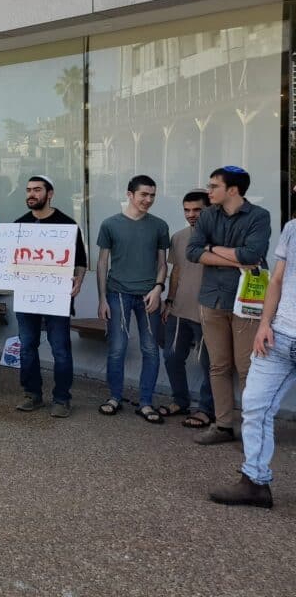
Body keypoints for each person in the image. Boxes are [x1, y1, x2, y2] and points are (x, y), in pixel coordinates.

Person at [208, 218, 296, 509]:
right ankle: (255, 483)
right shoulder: (292, 228)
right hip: (279, 336)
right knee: (255, 406)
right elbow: (278, 279)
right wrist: (264, 323)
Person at [186, 166, 271, 445]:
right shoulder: (208, 215)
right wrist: (231, 258)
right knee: (218, 366)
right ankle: (222, 425)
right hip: (212, 298)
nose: (208, 191)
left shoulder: (259, 216)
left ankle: (251, 430)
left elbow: (253, 254)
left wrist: (212, 248)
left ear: (232, 190)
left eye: (214, 186)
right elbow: (194, 252)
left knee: (247, 368)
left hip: (246, 299)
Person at [97, 174, 170, 423]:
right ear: (130, 194)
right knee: (117, 348)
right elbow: (102, 263)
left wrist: (159, 288)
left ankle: (146, 402)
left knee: (151, 349)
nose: (148, 200)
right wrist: (102, 299)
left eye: (152, 195)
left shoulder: (159, 226)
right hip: (117, 293)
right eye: (143, 195)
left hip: (149, 294)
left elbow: (163, 263)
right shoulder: (110, 224)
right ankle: (114, 397)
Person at [13, 176, 87, 418]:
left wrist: (78, 281)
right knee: (27, 347)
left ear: (50, 194)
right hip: (26, 297)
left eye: (37, 190)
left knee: (61, 349)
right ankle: (32, 395)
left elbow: (80, 263)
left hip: (56, 298)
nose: (31, 194)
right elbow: (9, 261)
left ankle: (62, 399)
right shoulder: (19, 225)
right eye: (28, 190)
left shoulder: (67, 225)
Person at [160, 190, 215, 427]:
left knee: (209, 364)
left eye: (197, 210)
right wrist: (169, 301)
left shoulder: (221, 237)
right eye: (187, 210)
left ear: (209, 209)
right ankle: (180, 401)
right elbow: (177, 271)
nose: (191, 215)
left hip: (209, 312)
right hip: (179, 310)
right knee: (171, 357)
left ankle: (206, 410)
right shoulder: (180, 237)